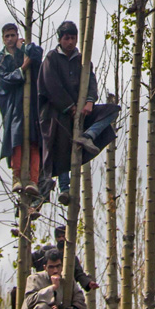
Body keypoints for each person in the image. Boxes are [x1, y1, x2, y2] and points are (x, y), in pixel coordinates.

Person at [38, 21, 120, 204]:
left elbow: (91, 81)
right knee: (61, 146)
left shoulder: (82, 60)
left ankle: (88, 135)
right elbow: (51, 85)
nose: (70, 42)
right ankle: (64, 188)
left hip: (81, 110)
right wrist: (69, 106)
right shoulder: (51, 59)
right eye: (66, 38)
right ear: (60, 39)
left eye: (73, 38)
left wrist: (90, 101)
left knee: (111, 111)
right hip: (56, 112)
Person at [0, 23, 45, 198]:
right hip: (14, 104)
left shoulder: (24, 49)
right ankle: (16, 176)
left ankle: (34, 179)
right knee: (16, 139)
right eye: (6, 36)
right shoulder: (1, 58)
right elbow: (4, 80)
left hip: (31, 102)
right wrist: (22, 69)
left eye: (12, 35)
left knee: (34, 140)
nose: (10, 39)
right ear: (3, 38)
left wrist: (23, 47)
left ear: (17, 36)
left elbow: (38, 55)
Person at [31, 225, 99, 292]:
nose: (61, 239)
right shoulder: (45, 251)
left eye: (63, 236)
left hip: (64, 291)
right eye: (59, 237)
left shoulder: (72, 258)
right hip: (44, 288)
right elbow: (30, 260)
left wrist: (88, 283)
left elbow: (79, 274)